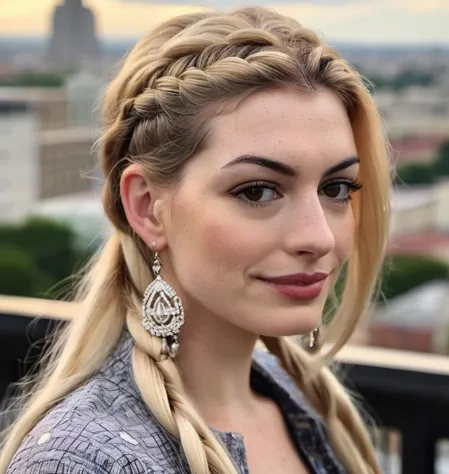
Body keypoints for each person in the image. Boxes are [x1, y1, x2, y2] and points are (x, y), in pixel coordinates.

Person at [0, 6, 390, 474]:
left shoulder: (302, 403)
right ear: (146, 207)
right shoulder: (84, 460)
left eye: (336, 189)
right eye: (258, 191)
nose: (319, 237)